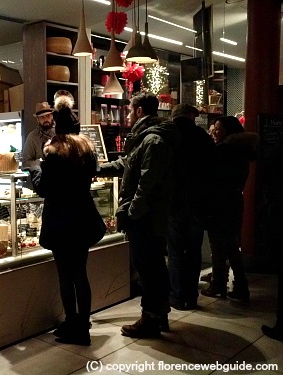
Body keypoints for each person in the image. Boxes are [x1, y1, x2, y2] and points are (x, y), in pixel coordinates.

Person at [98, 92, 180, 338]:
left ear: (140, 111)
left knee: (149, 267)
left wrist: (133, 212)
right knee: (152, 266)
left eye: (130, 110)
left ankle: (151, 319)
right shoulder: (148, 137)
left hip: (147, 217)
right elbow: (126, 164)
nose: (129, 114)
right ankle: (159, 314)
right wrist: (96, 167)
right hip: (148, 215)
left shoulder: (153, 139)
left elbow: (148, 182)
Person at [29, 91, 106, 346]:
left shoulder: (53, 154)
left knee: (65, 275)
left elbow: (43, 187)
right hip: (83, 219)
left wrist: (38, 168)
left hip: (61, 222)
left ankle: (73, 322)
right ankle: (82, 324)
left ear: (58, 128)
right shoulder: (86, 151)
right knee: (80, 274)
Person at [201, 116, 258, 302]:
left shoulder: (224, 150)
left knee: (218, 246)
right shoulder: (242, 150)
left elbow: (212, 178)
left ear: (228, 131)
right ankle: (240, 286)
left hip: (219, 203)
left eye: (218, 128)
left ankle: (218, 284)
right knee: (232, 247)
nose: (214, 131)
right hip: (233, 202)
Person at [166, 104, 215, 311]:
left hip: (174, 202)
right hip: (198, 203)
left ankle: (177, 296)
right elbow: (213, 170)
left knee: (175, 250)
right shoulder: (203, 137)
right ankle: (191, 296)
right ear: (190, 116)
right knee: (193, 251)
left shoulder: (169, 135)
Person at [22, 102, 55, 169]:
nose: (46, 119)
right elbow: (25, 162)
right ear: (37, 119)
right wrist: (40, 163)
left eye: (48, 116)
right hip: (41, 177)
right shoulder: (32, 137)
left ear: (52, 116)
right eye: (42, 117)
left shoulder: (60, 134)